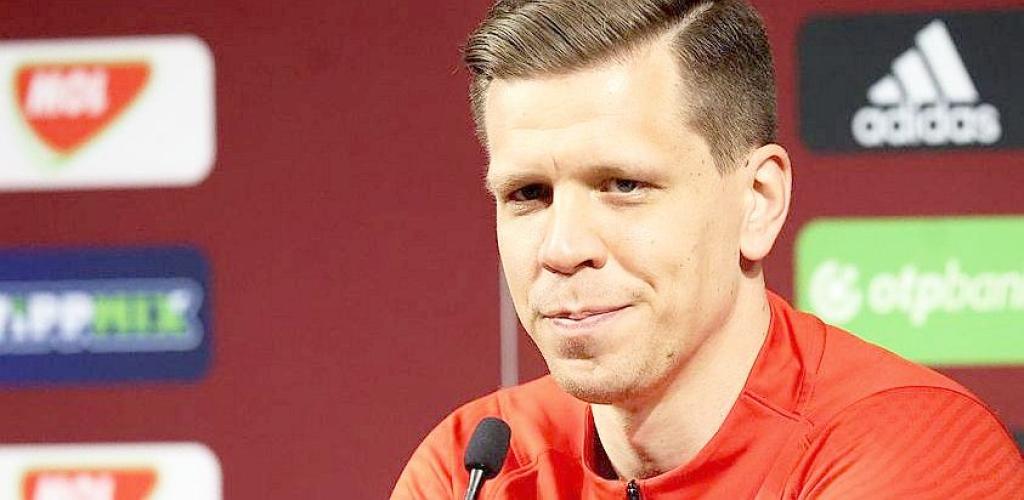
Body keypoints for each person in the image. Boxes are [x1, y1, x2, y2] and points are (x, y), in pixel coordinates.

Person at [392, 0, 1024, 497]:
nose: (563, 248)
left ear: (757, 201)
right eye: (528, 194)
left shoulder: (910, 447)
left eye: (624, 185)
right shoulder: (472, 468)